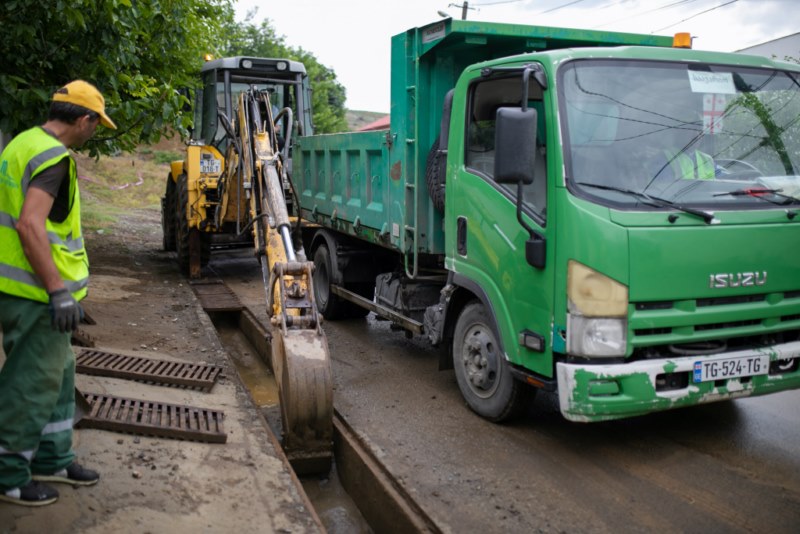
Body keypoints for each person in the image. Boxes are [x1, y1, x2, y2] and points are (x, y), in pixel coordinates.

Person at [0, 80, 116, 506]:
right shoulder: (53, 157)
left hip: (22, 288)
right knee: (30, 382)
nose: (95, 131)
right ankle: (9, 475)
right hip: (35, 292)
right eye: (96, 124)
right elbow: (29, 225)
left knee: (59, 374)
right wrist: (57, 292)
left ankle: (52, 458)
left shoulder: (23, 143)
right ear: (83, 120)